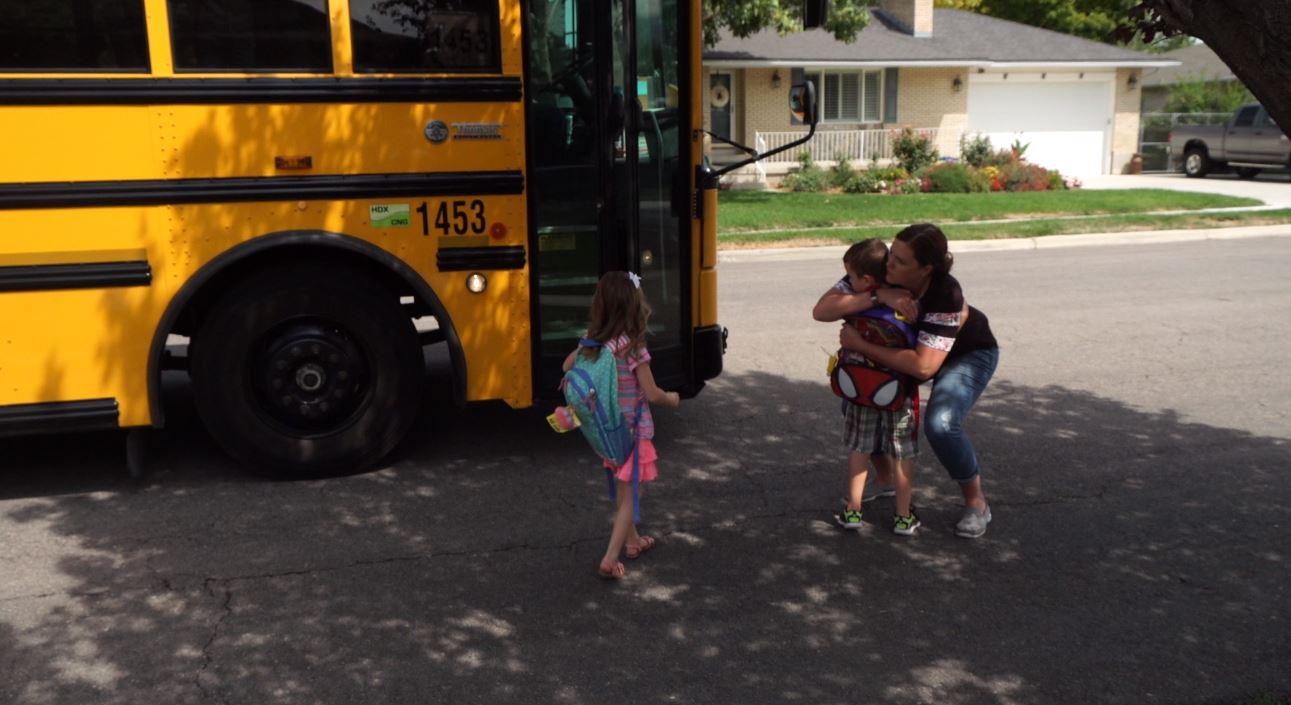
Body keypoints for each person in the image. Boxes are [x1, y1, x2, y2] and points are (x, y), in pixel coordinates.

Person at [831, 224, 1000, 538]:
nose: (889, 264)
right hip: (907, 353)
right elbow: (823, 309)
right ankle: (884, 480)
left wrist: (862, 345)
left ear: (926, 269)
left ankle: (976, 502)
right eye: (892, 254)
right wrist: (878, 294)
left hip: (966, 354)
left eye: (901, 261)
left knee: (942, 423)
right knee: (855, 403)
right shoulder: (880, 269)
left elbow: (923, 367)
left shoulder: (946, 293)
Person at [563, 271, 681, 579]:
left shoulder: (593, 344)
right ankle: (609, 558)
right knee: (631, 496)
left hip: (606, 430)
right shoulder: (632, 347)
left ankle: (632, 542)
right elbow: (652, 393)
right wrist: (672, 399)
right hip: (632, 431)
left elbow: (566, 366)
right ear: (633, 306)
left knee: (623, 487)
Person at [813, 239, 921, 535]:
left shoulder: (856, 300)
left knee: (858, 448)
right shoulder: (904, 297)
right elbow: (820, 310)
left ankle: (853, 510)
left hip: (860, 389)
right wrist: (880, 296)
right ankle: (903, 517)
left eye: (850, 276)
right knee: (903, 453)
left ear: (866, 279)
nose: (847, 280)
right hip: (897, 389)